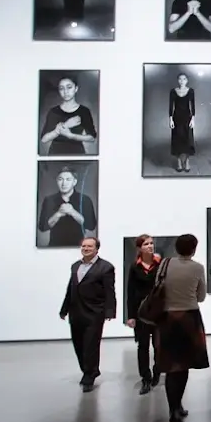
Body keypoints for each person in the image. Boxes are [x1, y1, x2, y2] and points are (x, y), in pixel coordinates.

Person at [156, 233, 209, 422]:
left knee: (172, 367)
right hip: (189, 318)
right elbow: (201, 297)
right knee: (184, 365)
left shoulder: (165, 264)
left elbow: (157, 288)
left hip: (167, 319)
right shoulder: (197, 268)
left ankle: (173, 408)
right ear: (194, 249)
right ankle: (177, 407)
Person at [59, 237, 117, 392]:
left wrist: (110, 310)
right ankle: (88, 369)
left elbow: (109, 290)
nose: (86, 248)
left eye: (89, 246)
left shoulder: (106, 267)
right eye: (84, 246)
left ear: (96, 249)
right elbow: (70, 289)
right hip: (76, 311)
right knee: (78, 344)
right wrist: (64, 309)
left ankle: (89, 375)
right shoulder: (75, 266)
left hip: (95, 312)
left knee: (91, 344)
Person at [125, 234, 163, 395]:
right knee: (143, 346)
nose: (150, 246)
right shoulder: (135, 266)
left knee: (159, 345)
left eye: (151, 243)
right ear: (140, 247)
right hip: (141, 312)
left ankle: (157, 371)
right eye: (146, 244)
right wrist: (130, 315)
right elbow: (130, 292)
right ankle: (145, 378)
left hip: (158, 311)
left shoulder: (160, 263)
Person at [37, 167, 97, 248]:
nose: (64, 183)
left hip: (79, 248)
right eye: (60, 179)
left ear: (74, 182)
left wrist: (72, 212)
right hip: (54, 247)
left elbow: (91, 226)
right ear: (56, 181)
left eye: (68, 179)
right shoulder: (49, 200)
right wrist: (58, 214)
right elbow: (42, 227)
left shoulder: (85, 199)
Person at [39, 74, 98, 155]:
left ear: (76, 88)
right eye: (61, 88)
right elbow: (44, 139)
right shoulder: (54, 111)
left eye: (69, 87)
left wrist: (71, 136)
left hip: (77, 155)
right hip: (55, 156)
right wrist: (65, 126)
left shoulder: (84, 111)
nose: (65, 92)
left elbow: (92, 138)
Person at [169, 72, 196, 173]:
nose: (182, 81)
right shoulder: (173, 91)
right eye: (180, 79)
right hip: (176, 118)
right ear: (178, 80)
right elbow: (170, 106)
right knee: (177, 140)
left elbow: (192, 106)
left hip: (187, 118)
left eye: (184, 79)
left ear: (187, 80)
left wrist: (193, 119)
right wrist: (170, 119)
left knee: (187, 140)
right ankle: (179, 162)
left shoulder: (191, 91)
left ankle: (187, 161)